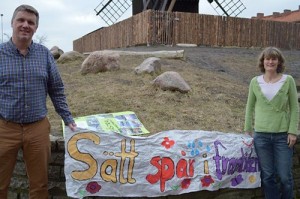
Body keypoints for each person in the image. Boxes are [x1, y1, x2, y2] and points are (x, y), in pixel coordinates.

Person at [0, 4, 76, 199]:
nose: (26, 25)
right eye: (21, 20)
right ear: (12, 23)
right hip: (5, 129)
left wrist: (67, 118)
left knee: (40, 186)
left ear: (36, 27)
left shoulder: (44, 54)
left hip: (38, 129)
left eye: (31, 22)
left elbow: (56, 88)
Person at [244, 47, 299, 199]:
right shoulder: (255, 82)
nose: (270, 61)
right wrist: (247, 129)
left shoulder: (288, 81)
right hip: (261, 136)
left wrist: (293, 131)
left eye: (274, 59)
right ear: (263, 61)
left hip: (283, 136)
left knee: (284, 177)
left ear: (279, 61)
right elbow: (249, 107)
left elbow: (295, 108)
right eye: (267, 59)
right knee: (268, 176)